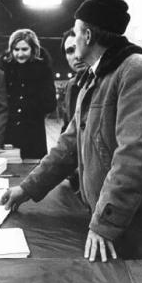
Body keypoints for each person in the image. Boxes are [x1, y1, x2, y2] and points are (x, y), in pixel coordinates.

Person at [1, 0, 142, 262]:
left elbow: (135, 158)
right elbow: (67, 148)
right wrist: (27, 188)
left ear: (88, 36)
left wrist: (105, 224)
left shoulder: (138, 74)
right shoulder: (95, 80)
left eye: (77, 32)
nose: (74, 40)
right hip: (117, 221)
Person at [0, 28, 56, 159]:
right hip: (9, 132)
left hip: (34, 134)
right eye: (16, 49)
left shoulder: (43, 71)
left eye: (24, 49)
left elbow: (50, 104)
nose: (20, 54)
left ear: (33, 49)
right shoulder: (5, 70)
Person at [59, 28, 89, 192]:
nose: (76, 56)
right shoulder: (71, 86)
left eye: (78, 47)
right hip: (76, 176)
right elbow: (67, 130)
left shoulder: (110, 82)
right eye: (70, 51)